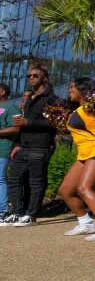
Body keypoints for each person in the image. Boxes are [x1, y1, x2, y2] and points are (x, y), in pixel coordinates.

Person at [57, 77, 95, 241]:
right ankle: (86, 223)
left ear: (83, 90)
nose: (69, 90)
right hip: (85, 152)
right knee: (66, 190)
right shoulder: (78, 110)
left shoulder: (93, 107)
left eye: (72, 87)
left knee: (85, 188)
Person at [1, 66, 58, 227]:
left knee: (36, 181)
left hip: (40, 145)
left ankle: (31, 214)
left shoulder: (51, 99)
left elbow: (53, 123)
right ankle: (17, 212)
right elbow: (22, 125)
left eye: (35, 75)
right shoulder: (30, 99)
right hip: (24, 145)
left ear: (44, 78)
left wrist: (28, 122)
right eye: (29, 76)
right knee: (14, 179)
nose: (31, 78)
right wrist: (18, 144)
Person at [0, 83, 21, 219]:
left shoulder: (11, 107)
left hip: (3, 148)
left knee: (0, 179)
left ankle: (3, 210)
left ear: (2, 92)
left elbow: (15, 128)